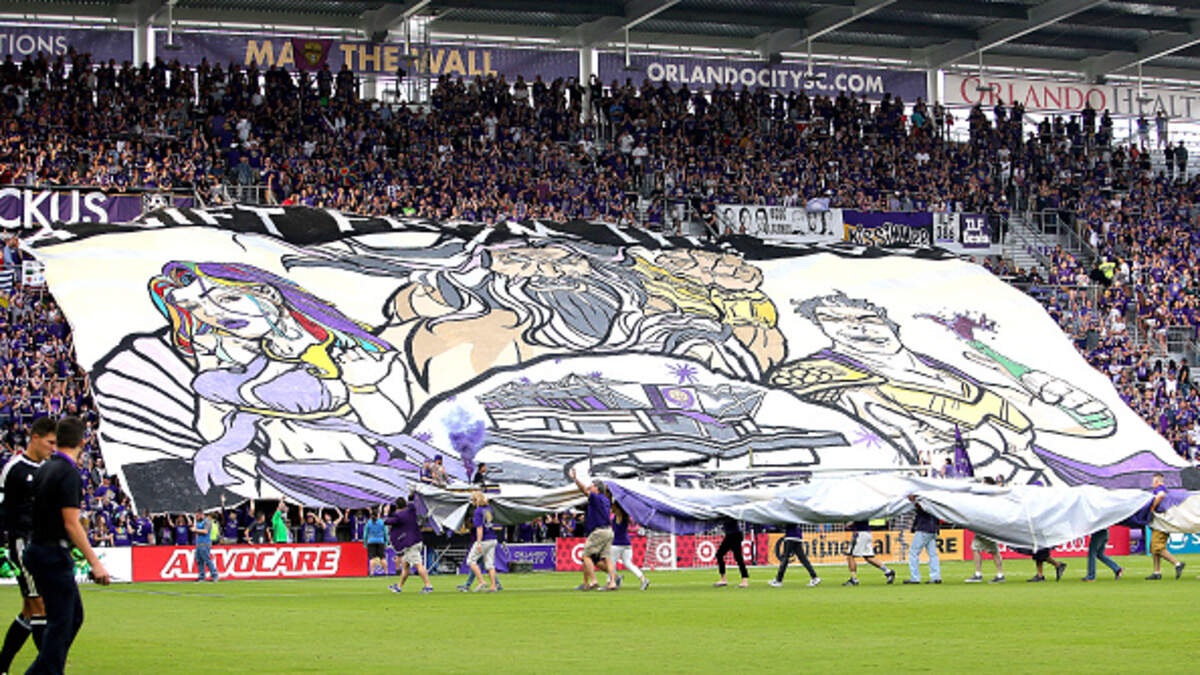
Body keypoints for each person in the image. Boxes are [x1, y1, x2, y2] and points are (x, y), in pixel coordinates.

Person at [23, 416, 111, 675]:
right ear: (83, 442)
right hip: (52, 553)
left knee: (71, 618)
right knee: (62, 624)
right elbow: (71, 523)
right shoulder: (68, 473)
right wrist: (95, 563)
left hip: (38, 548)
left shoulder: (45, 468)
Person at [0, 416, 55, 674]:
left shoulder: (47, 469)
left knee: (29, 610)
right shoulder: (15, 469)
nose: (53, 448)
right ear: (35, 438)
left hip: (42, 545)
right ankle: (50, 669)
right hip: (24, 545)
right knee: (40, 606)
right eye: (50, 442)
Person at [568, 468, 616, 591]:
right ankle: (613, 582)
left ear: (597, 489)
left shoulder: (596, 498)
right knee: (607, 558)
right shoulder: (606, 500)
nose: (590, 487)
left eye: (592, 486)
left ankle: (593, 581)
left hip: (599, 531)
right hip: (608, 531)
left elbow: (584, 490)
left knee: (586, 556)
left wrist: (575, 479)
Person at [385, 497, 432, 593]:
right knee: (405, 566)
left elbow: (387, 521)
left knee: (418, 565)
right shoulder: (411, 510)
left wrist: (386, 513)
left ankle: (428, 586)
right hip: (417, 540)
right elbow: (412, 504)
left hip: (410, 544)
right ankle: (399, 587)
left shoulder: (399, 516)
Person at [965, 478, 1006, 583]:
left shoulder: (988, 498)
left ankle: (979, 574)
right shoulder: (994, 497)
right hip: (991, 526)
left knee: (976, 547)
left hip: (986, 526)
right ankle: (1000, 574)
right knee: (994, 550)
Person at [1146, 473, 1185, 580]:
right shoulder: (1163, 489)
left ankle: (1177, 564)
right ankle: (1156, 572)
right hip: (1159, 522)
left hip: (1161, 522)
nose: (1152, 484)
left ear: (1157, 482)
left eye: (1153, 481)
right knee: (1154, 548)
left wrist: (1152, 507)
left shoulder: (1160, 489)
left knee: (1157, 547)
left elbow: (1161, 495)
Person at [606, 501, 649, 591]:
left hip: (616, 543)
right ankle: (643, 579)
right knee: (628, 563)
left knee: (611, 563)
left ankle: (610, 582)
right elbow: (628, 529)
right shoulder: (626, 517)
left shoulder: (614, 518)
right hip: (627, 543)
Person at [464, 491, 499, 592]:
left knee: (471, 561)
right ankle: (493, 586)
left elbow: (479, 528)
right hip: (493, 538)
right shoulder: (489, 509)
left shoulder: (478, 511)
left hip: (484, 540)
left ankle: (481, 581)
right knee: (490, 565)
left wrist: (478, 542)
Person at [843, 520, 895, 586]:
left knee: (850, 556)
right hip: (867, 533)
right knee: (869, 557)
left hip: (860, 533)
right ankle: (888, 572)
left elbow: (858, 518)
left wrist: (850, 523)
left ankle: (853, 579)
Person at [769, 523, 821, 588]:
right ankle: (814, 577)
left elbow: (787, 524)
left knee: (785, 558)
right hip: (798, 536)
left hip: (790, 536)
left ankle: (778, 580)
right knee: (803, 558)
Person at [904, 498, 941, 584]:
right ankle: (936, 577)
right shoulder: (933, 503)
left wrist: (913, 500)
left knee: (913, 553)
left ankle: (915, 578)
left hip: (923, 529)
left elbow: (920, 508)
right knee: (933, 554)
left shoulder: (922, 503)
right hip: (933, 529)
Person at [712, 517, 749, 588]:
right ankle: (723, 579)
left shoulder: (730, 514)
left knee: (738, 557)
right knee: (719, 555)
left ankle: (744, 580)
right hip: (730, 535)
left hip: (735, 535)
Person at [191, 511, 218, 582]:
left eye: (197, 516)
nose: (197, 517)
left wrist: (195, 530)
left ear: (201, 515)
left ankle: (215, 575)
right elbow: (196, 528)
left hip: (205, 544)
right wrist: (194, 520)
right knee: (199, 561)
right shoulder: (200, 522)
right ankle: (201, 577)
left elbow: (205, 531)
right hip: (199, 544)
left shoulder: (207, 521)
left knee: (207, 560)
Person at [364, 509, 387, 576]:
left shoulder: (368, 523)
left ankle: (371, 573)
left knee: (372, 558)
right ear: (378, 515)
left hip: (371, 541)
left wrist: (365, 543)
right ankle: (386, 572)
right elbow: (385, 533)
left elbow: (365, 534)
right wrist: (386, 542)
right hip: (380, 541)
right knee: (382, 557)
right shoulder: (382, 522)